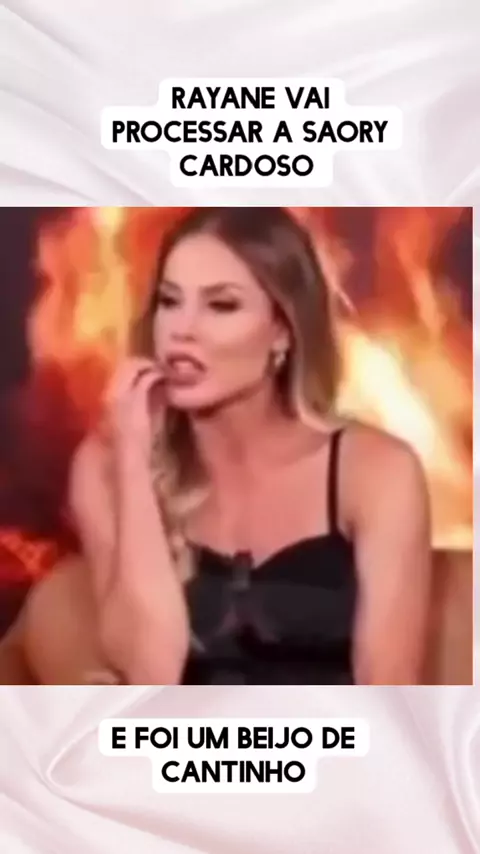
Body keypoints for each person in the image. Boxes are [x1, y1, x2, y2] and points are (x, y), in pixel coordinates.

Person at [0, 207, 432, 686]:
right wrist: (133, 458)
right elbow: (150, 671)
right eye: (169, 301)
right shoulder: (105, 465)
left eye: (221, 305)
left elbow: (390, 691)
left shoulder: (377, 471)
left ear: (282, 331)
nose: (181, 330)